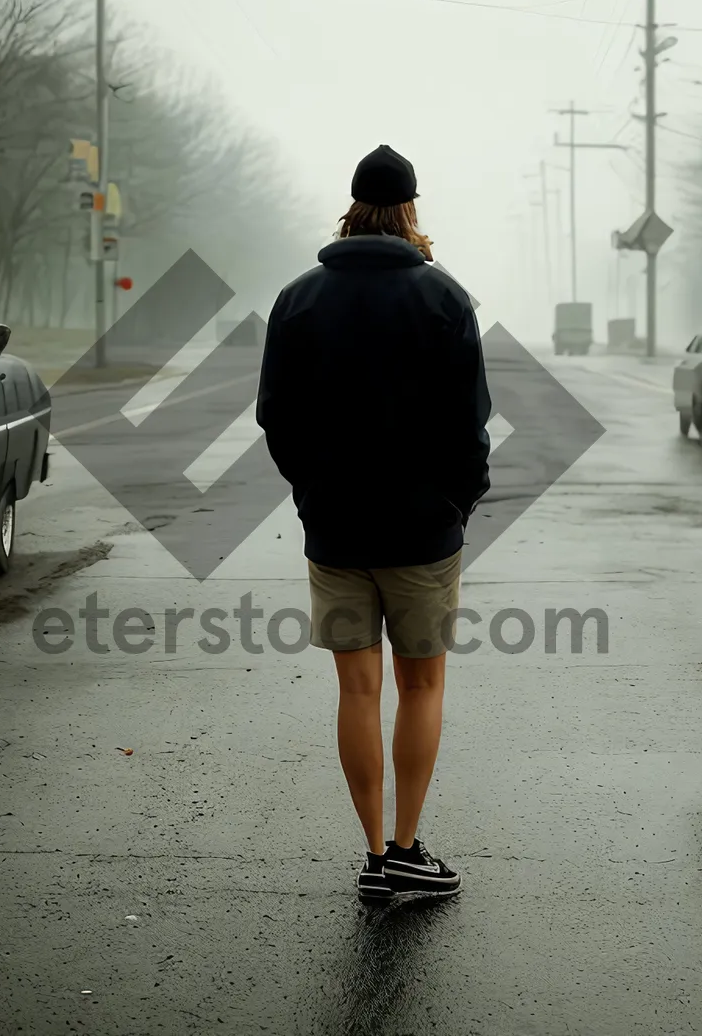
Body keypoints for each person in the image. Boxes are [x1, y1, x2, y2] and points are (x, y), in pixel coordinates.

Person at [256, 145, 491, 901]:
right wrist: (458, 501)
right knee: (420, 688)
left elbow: (276, 418)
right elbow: (471, 424)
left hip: (335, 530)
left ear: (351, 209)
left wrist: (311, 493)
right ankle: (408, 849)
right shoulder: (446, 300)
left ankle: (372, 860)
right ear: (411, 210)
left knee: (356, 692)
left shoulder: (297, 300)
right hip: (424, 533)